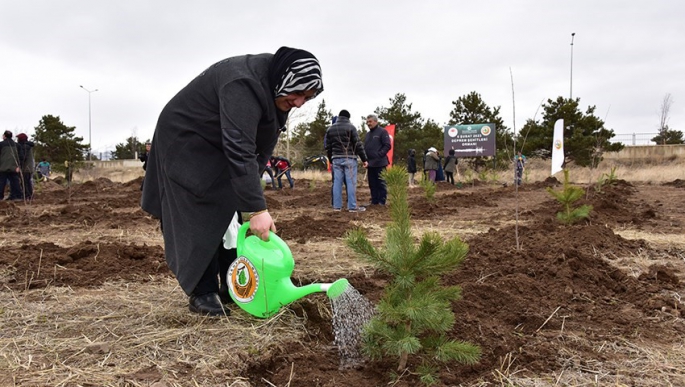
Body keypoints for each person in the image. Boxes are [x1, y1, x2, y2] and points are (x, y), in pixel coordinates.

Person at [141, 47, 324, 317]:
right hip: (187, 142)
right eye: (298, 93)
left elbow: (258, 149)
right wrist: (258, 209)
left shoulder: (275, 90)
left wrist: (249, 196)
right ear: (286, 79)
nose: (299, 102)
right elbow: (239, 147)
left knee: (231, 211)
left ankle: (232, 284)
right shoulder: (243, 83)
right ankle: (202, 291)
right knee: (200, 212)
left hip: (218, 144)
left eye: (307, 98)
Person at [325, 109, 368, 212]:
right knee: (351, 182)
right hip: (349, 158)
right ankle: (352, 207)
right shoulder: (351, 127)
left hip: (336, 158)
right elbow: (358, 144)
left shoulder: (330, 129)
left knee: (337, 183)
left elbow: (328, 147)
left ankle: (336, 207)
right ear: (348, 118)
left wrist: (331, 159)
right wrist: (364, 159)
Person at [363, 114, 391, 206]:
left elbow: (387, 145)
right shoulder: (367, 134)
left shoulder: (382, 132)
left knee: (381, 183)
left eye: (370, 121)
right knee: (372, 184)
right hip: (370, 164)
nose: (368, 123)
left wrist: (379, 155)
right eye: (367, 122)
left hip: (380, 163)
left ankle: (382, 201)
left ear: (376, 121)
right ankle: (374, 201)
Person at [0, 131, 23, 200]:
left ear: (4, 136)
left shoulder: (1, 144)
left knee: (1, 183)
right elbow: (21, 157)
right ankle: (17, 196)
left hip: (2, 167)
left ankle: (0, 197)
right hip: (14, 168)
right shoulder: (17, 145)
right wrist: (19, 166)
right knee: (15, 182)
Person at [16, 133, 35, 200]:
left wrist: (19, 166)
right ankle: (29, 195)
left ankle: (27, 195)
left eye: (18, 138)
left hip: (26, 167)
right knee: (27, 181)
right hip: (29, 167)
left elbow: (23, 158)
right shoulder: (27, 146)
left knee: (25, 182)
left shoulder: (25, 147)